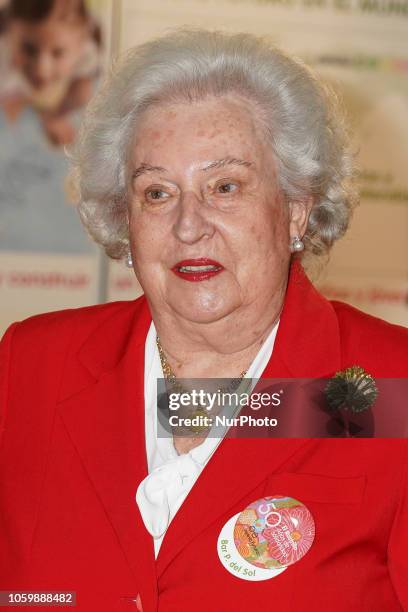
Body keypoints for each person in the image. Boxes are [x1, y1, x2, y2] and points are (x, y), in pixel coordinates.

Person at [1, 28, 407, 612]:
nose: (189, 226)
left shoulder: (394, 386)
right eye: (158, 193)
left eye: (225, 186)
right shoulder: (32, 366)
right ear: (126, 218)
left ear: (296, 207)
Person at [0, 0, 102, 145]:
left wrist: (57, 115)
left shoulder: (87, 53)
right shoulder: (4, 56)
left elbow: (82, 94)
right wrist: (44, 117)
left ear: (81, 44)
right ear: (10, 34)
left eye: (58, 53)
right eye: (29, 50)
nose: (42, 69)